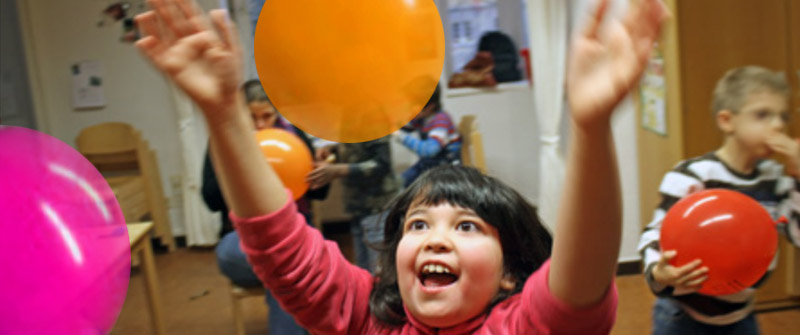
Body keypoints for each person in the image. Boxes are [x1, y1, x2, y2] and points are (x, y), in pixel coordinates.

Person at [135, 0, 667, 333]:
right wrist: (223, 114)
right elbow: (280, 246)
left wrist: (591, 130)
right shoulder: (369, 320)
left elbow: (583, 270)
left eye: (466, 226)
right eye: (418, 225)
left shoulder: (525, 325)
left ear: (510, 275)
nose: (435, 239)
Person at [637, 66, 800, 335]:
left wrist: (797, 176)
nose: (779, 125)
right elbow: (655, 233)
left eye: (782, 116)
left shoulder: (775, 178)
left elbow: (796, 233)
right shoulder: (693, 175)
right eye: (762, 115)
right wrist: (657, 272)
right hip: (681, 317)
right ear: (727, 121)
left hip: (742, 314)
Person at [201, 79, 329, 335]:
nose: (260, 125)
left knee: (283, 267)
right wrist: (232, 171)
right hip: (245, 240)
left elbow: (320, 194)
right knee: (281, 263)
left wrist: (321, 175)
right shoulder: (223, 141)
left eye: (267, 116)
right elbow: (211, 200)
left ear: (277, 112)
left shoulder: (294, 135)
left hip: (294, 232)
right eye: (252, 117)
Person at [306, 137, 400, 272]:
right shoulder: (347, 125)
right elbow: (356, 153)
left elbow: (382, 164)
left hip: (378, 207)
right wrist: (333, 152)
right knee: (364, 271)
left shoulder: (375, 123)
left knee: (380, 271)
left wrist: (338, 170)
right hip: (357, 208)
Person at [393, 84, 463, 187]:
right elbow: (409, 127)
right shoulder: (424, 117)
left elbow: (429, 150)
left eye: (413, 105)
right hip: (430, 164)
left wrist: (400, 136)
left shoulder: (441, 121)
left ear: (430, 106)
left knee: (408, 186)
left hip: (446, 170)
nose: (409, 108)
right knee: (402, 181)